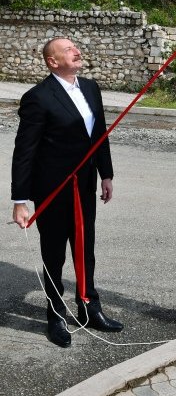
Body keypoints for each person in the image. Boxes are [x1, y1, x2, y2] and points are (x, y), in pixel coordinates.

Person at [11, 37, 123, 347]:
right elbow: (24, 152)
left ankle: (89, 306)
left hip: (84, 184)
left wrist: (106, 174)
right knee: (54, 253)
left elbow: (98, 134)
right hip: (53, 187)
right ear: (53, 61)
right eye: (68, 49)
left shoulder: (90, 88)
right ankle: (55, 315)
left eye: (76, 47)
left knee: (85, 247)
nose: (77, 50)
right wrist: (20, 201)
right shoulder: (38, 97)